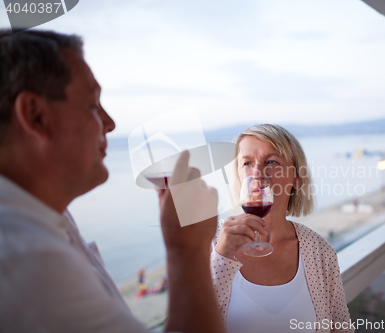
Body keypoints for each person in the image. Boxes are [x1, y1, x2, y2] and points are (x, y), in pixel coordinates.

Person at [0, 29, 223, 333]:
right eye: (93, 105)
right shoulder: (27, 260)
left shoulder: (43, 216)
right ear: (36, 116)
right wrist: (188, 250)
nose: (110, 123)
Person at [211, 124, 353, 333]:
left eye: (271, 162)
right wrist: (221, 257)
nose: (258, 173)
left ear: (296, 178)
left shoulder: (320, 252)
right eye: (248, 163)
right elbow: (188, 323)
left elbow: (341, 329)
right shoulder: (210, 242)